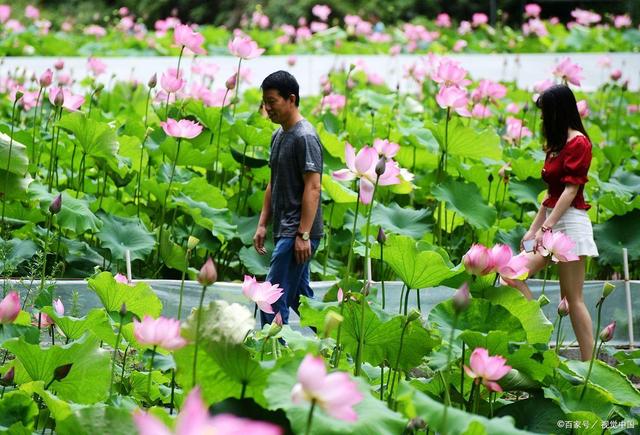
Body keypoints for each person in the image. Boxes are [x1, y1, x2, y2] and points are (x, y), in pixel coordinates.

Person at [505, 84, 599, 361]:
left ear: (559, 111)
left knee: (573, 299)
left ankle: (589, 364)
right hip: (552, 222)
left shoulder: (579, 143)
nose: (543, 119)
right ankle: (538, 328)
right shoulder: (556, 146)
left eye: (546, 113)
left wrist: (547, 227)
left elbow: (570, 191)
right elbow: (550, 195)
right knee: (510, 273)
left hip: (570, 225)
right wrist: (534, 228)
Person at [253, 71, 324, 326]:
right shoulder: (279, 136)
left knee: (269, 298)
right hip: (285, 230)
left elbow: (313, 187)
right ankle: (337, 346)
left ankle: (273, 357)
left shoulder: (305, 136)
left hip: (298, 232)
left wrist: (303, 234)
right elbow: (273, 181)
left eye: (272, 101)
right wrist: (263, 223)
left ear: (291, 99)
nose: (267, 108)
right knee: (298, 297)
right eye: (265, 102)